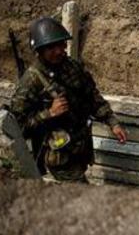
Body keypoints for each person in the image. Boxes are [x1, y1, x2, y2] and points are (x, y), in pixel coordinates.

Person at [10, 16, 127, 182]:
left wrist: (112, 122)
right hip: (58, 155)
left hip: (80, 146)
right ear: (40, 50)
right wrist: (49, 113)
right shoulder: (31, 81)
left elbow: (91, 96)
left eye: (61, 45)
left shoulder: (72, 66)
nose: (58, 51)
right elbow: (18, 127)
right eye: (51, 47)